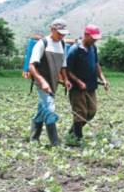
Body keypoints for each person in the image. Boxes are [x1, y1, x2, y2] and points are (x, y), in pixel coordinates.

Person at [28, 19, 72, 147]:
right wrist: (42, 82)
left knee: (43, 109)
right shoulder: (42, 44)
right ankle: (55, 143)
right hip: (42, 82)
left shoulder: (62, 44)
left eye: (64, 34)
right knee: (50, 109)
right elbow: (31, 66)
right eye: (60, 33)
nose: (62, 36)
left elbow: (63, 66)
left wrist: (66, 79)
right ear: (52, 29)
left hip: (53, 83)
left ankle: (34, 138)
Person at [66, 24, 109, 146]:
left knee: (92, 111)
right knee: (80, 113)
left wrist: (103, 79)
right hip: (77, 87)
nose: (95, 40)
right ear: (86, 35)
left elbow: (96, 65)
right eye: (93, 37)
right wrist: (78, 82)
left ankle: (71, 132)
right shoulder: (74, 50)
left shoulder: (93, 48)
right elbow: (67, 70)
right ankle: (78, 139)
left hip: (91, 84)